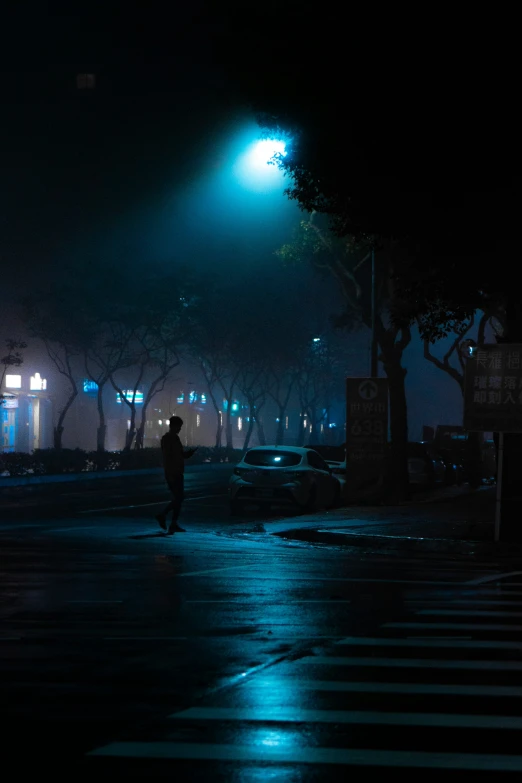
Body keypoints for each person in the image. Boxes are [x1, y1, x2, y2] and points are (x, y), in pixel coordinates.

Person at [156, 416, 197, 535]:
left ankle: (173, 523)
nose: (180, 429)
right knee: (179, 497)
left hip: (178, 472)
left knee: (179, 498)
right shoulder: (167, 439)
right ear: (173, 426)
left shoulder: (175, 438)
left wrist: (189, 454)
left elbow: (180, 455)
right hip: (172, 472)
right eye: (179, 426)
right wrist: (170, 473)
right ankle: (163, 515)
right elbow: (168, 457)